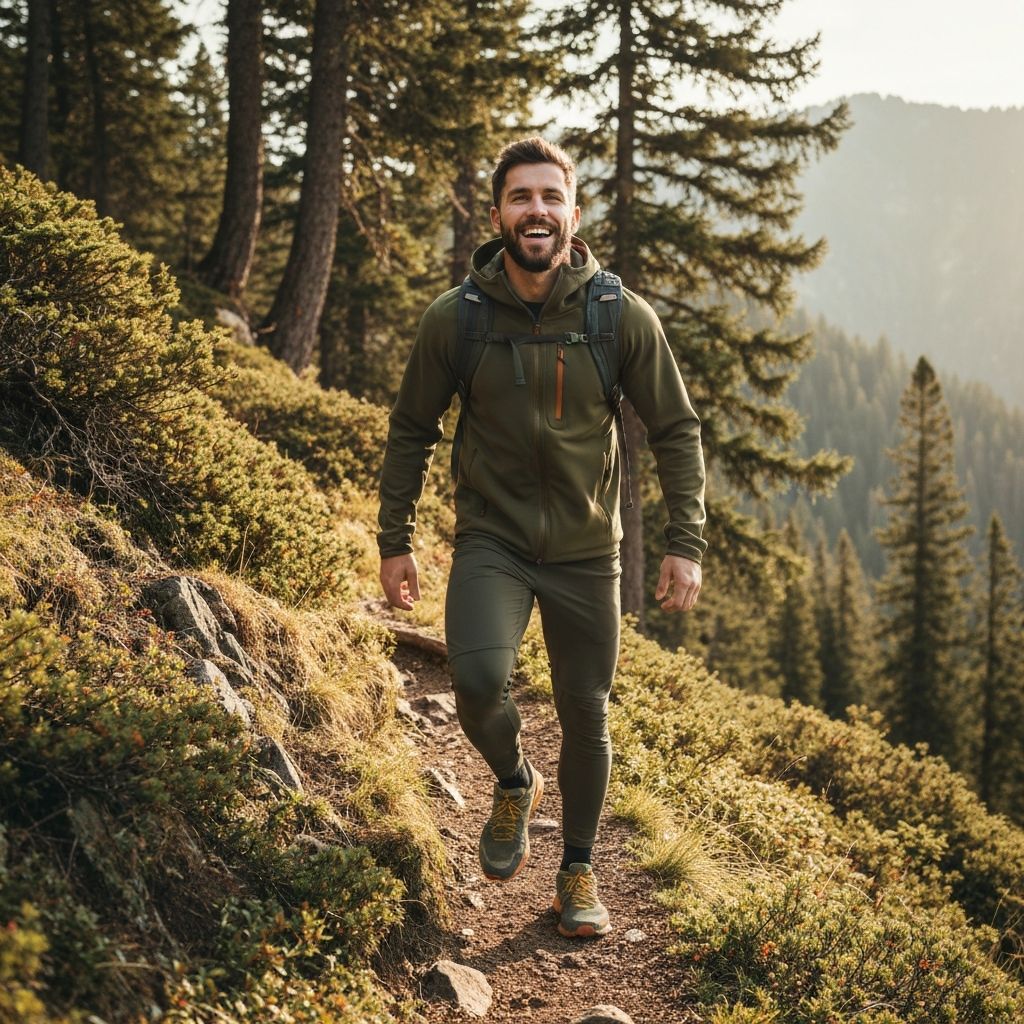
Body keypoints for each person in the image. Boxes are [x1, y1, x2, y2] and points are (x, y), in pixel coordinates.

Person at [377, 137, 706, 939]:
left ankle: (577, 872)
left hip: (589, 551)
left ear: (573, 213)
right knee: (480, 683)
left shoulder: (616, 315)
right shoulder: (456, 320)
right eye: (521, 198)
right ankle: (514, 779)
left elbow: (675, 428)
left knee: (586, 711)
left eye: (550, 198)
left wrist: (684, 541)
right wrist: (395, 536)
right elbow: (412, 429)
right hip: (493, 538)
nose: (537, 212)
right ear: (496, 215)